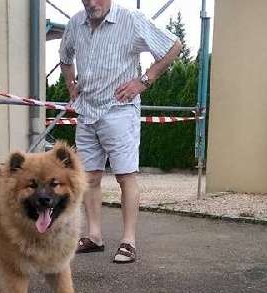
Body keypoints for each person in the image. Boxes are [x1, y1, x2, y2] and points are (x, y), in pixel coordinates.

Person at [59, 0, 182, 264]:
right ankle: (94, 236)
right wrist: (71, 86)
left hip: (119, 111)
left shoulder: (131, 19)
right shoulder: (75, 23)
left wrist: (144, 80)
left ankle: (128, 241)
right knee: (89, 178)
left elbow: (174, 46)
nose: (92, 3)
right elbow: (65, 57)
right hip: (87, 112)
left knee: (125, 177)